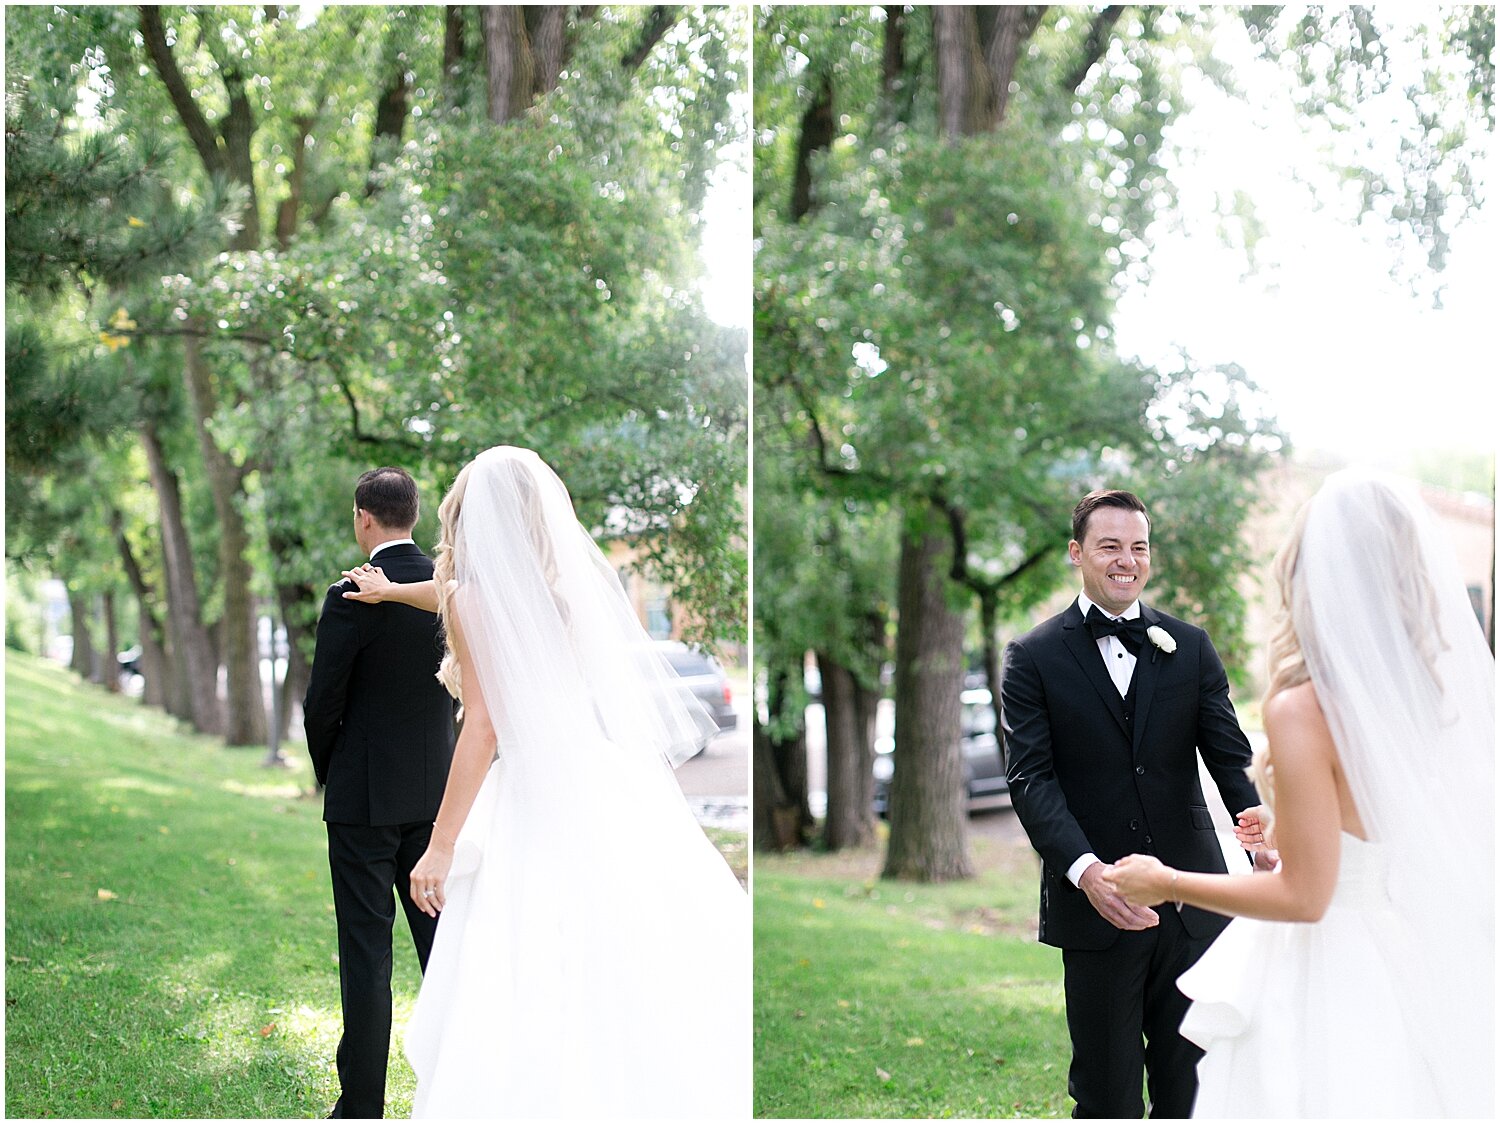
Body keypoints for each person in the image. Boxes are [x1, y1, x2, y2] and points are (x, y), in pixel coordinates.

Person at [337, 445, 750, 1118]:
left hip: (531, 790)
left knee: (528, 966)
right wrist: (395, 591)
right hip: (597, 778)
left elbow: (484, 728)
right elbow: (448, 598)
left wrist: (439, 846)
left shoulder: (474, 598)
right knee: (611, 957)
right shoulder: (556, 598)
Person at [1105, 470, 1494, 1117]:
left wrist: (1165, 880)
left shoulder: (1302, 709)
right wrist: (1281, 826)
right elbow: (1366, 831)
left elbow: (1307, 897)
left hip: (1331, 969)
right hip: (1400, 949)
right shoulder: (1422, 698)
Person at [1000, 489, 1265, 1118]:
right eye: (1110, 546)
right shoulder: (1032, 657)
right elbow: (1030, 779)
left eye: (1138, 547)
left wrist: (1260, 837)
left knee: (1194, 1090)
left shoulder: (1190, 645)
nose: (1127, 560)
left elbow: (1229, 757)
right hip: (1096, 912)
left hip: (1194, 908)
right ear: (1077, 553)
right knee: (1105, 1093)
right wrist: (1087, 872)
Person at [302, 467, 457, 1119]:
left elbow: (322, 704)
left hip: (363, 802)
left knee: (366, 954)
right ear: (414, 516)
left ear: (364, 517)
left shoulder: (353, 594)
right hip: (437, 802)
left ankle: (361, 1107)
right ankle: (461, 1086)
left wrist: (329, 772)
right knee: (444, 951)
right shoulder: (450, 588)